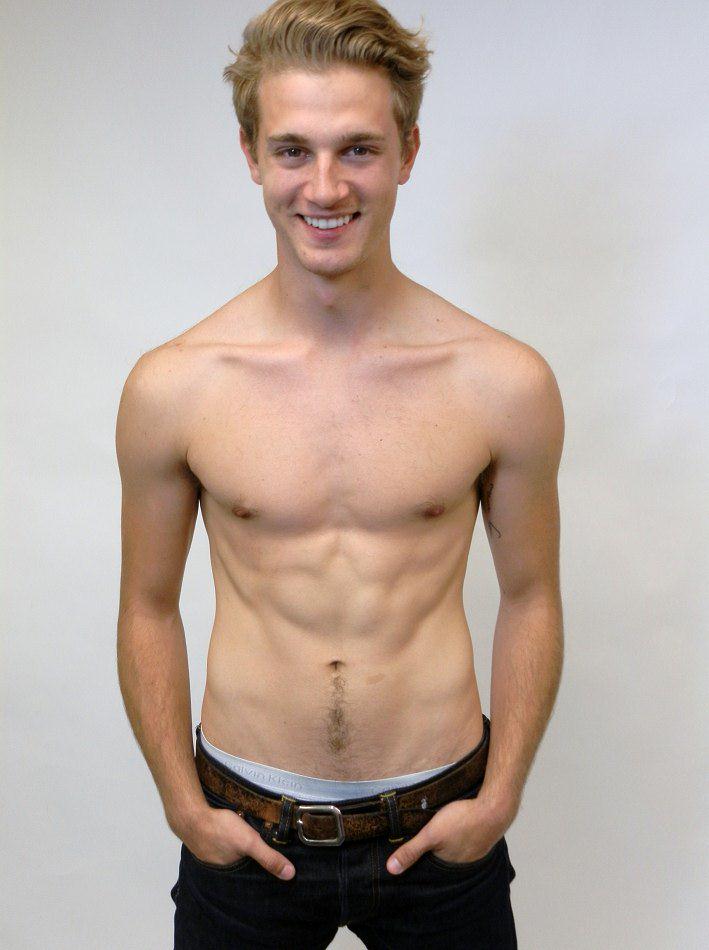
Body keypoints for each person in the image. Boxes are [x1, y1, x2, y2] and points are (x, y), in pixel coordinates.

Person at [115, 0, 564, 946]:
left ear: (407, 152)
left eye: (357, 149)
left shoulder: (501, 382)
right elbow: (146, 607)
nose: (324, 186)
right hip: (244, 835)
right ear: (251, 154)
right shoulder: (175, 386)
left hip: (442, 832)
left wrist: (500, 797)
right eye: (293, 150)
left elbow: (530, 597)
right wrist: (182, 805)